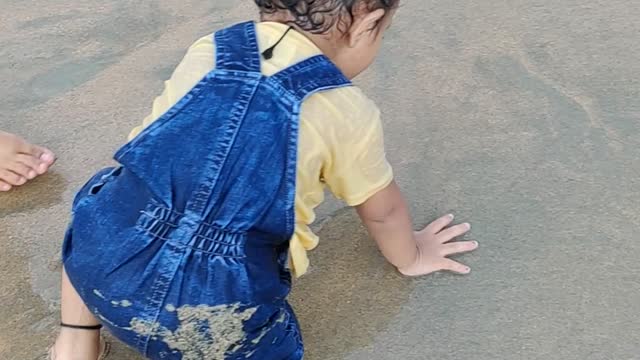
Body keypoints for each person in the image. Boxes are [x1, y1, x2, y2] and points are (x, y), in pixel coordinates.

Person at [50, 1, 479, 359]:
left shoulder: (209, 48)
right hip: (212, 308)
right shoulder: (346, 110)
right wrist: (411, 255)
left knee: (109, 193)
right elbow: (383, 212)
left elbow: (144, 145)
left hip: (102, 268)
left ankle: (76, 336)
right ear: (368, 21)